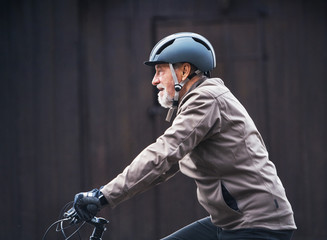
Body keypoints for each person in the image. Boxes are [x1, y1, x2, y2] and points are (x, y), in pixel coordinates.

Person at [72, 32, 296, 240]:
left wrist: (102, 196)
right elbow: (164, 166)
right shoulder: (199, 101)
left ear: (184, 71)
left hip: (258, 225)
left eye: (160, 70)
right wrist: (108, 196)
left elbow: (164, 153)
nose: (154, 80)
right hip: (230, 222)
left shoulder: (206, 99)